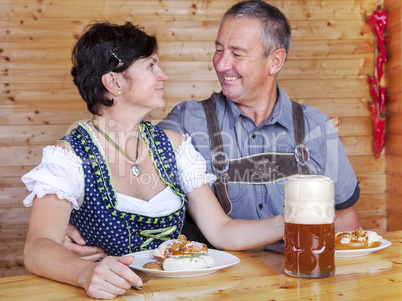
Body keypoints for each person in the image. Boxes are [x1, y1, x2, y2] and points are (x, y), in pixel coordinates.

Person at [64, 0, 362, 253]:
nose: (221, 64)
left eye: (237, 53)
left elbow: (346, 222)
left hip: (301, 277)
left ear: (275, 61)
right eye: (219, 50)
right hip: (221, 284)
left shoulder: (316, 127)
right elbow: (116, 145)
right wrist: (71, 217)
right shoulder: (184, 123)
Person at [21, 21, 285, 299]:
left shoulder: (174, 145)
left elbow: (221, 231)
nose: (163, 76)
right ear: (114, 82)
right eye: (151, 66)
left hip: (180, 294)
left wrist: (288, 221)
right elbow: (37, 247)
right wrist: (84, 273)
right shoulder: (69, 156)